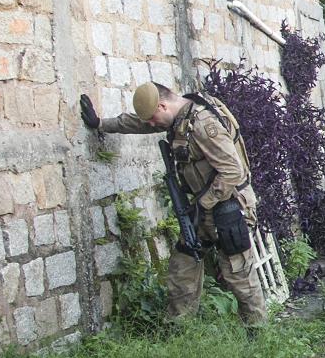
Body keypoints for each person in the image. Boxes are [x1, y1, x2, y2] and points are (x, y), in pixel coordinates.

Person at [79, 82, 267, 328]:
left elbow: (233, 171)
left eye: (154, 118)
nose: (153, 125)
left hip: (229, 206)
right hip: (203, 209)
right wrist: (101, 124)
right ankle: (179, 328)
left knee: (238, 274)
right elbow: (141, 122)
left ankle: (258, 333)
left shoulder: (202, 124)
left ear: (163, 105)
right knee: (183, 266)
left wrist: (204, 203)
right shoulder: (180, 117)